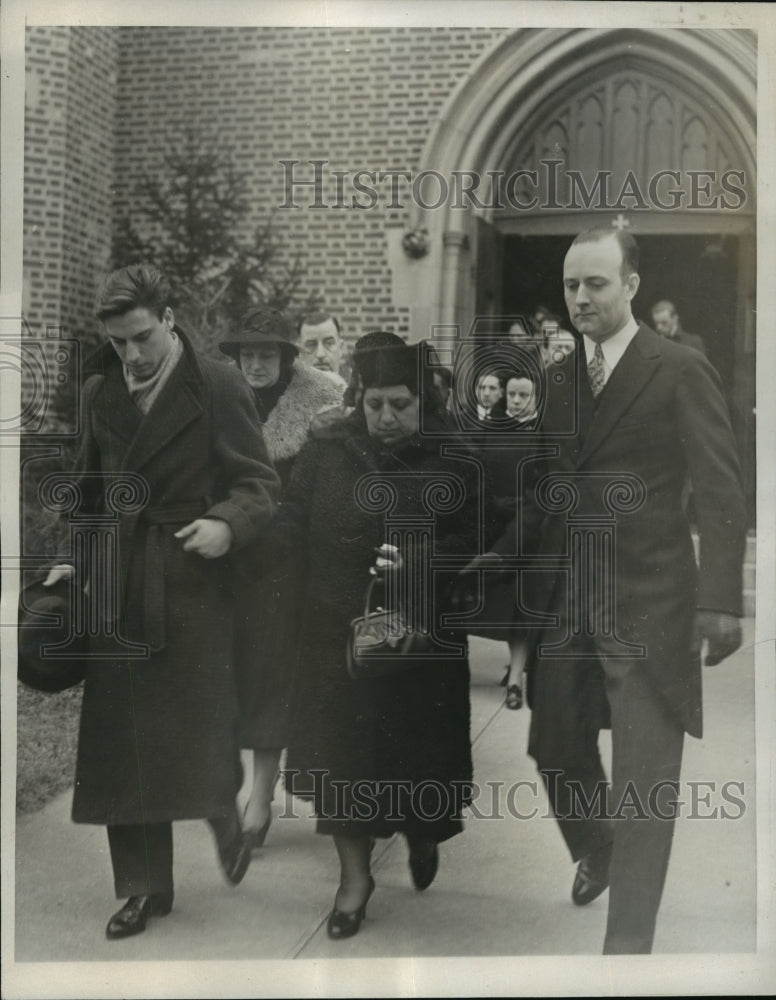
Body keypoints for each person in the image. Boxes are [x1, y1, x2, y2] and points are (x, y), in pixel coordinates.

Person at [499, 228, 746, 954]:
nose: (580, 298)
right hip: (573, 603)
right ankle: (597, 851)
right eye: (572, 285)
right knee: (553, 747)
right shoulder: (559, 382)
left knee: (644, 785)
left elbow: (721, 486)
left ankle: (626, 951)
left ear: (631, 286)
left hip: (652, 603)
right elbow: (546, 494)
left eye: (596, 284)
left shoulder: (678, 368)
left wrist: (721, 599)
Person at [42, 264, 280, 940]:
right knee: (124, 744)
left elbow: (259, 483)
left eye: (141, 337)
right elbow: (89, 493)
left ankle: (223, 816)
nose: (132, 356)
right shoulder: (100, 392)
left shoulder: (219, 385)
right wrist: (70, 558)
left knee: (195, 732)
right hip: (120, 582)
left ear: (170, 318)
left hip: (192, 585)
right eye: (118, 343)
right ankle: (144, 888)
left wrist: (226, 523)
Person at [269, 342, 477, 940]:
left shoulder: (454, 460)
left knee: (416, 762)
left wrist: (421, 560)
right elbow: (292, 517)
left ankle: (422, 830)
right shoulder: (328, 451)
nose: (386, 417)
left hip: (422, 644)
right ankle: (354, 880)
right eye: (375, 403)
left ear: (424, 401)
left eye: (401, 405)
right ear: (358, 398)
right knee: (344, 766)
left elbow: (477, 539)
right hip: (339, 639)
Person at [218, 306, 345, 846]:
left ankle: (260, 798)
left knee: (272, 678)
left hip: (288, 568)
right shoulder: (221, 403)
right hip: (228, 560)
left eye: (266, 353)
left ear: (286, 357)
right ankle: (233, 790)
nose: (255, 363)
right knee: (230, 680)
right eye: (247, 353)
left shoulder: (322, 405)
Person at [297, 310, 345, 377]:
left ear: (340, 348)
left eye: (329, 343)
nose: (320, 354)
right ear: (300, 353)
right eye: (311, 345)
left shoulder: (359, 385)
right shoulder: (289, 386)